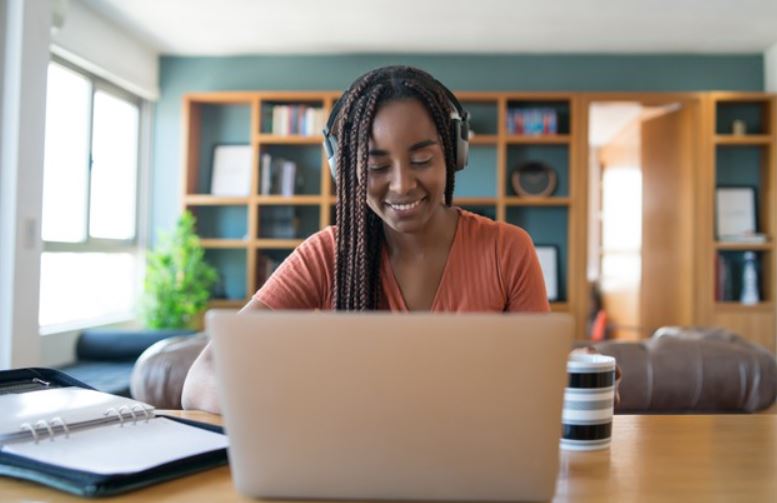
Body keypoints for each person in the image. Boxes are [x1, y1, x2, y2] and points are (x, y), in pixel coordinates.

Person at [183, 66, 551, 413]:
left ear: (454, 154)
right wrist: (291, 408)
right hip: (351, 472)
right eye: (375, 167)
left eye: (422, 160)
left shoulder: (507, 250)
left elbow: (540, 391)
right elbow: (201, 379)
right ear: (346, 170)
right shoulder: (326, 255)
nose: (402, 184)